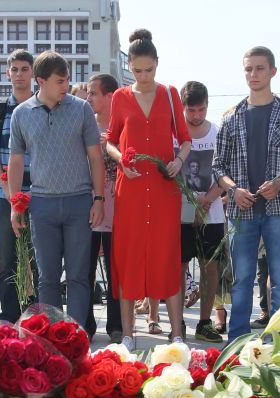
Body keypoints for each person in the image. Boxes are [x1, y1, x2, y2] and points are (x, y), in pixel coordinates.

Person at [214, 45, 280, 341]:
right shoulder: (232, 117)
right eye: (248, 69)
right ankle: (238, 341)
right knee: (242, 279)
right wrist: (233, 189)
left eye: (258, 68)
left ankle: (278, 341)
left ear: (272, 71)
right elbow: (218, 166)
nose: (253, 74)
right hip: (242, 211)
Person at [105, 30, 192, 350]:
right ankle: (128, 334)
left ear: (157, 64)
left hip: (163, 188)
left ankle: (177, 332)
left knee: (167, 257)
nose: (143, 76)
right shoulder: (120, 97)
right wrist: (119, 158)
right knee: (128, 257)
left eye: (149, 70)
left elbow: (185, 138)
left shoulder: (170, 94)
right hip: (129, 188)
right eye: (137, 71)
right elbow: (111, 139)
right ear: (130, 66)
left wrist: (179, 161)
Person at [7, 51, 105, 327]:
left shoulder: (81, 109)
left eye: (67, 81)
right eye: (60, 81)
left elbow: (95, 156)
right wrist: (16, 205)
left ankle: (75, 337)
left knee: (78, 275)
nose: (66, 86)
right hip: (42, 206)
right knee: (47, 278)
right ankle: (50, 339)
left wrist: (98, 199)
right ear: (41, 81)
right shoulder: (21, 114)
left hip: (79, 203)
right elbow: (15, 161)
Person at [0, 49, 36, 323]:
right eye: (14, 69)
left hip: (39, 196)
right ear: (8, 73)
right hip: (5, 197)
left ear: (33, 73)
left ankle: (35, 316)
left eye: (24, 69)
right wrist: (5, 187)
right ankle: (8, 316)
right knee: (7, 260)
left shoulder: (43, 106)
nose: (19, 74)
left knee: (38, 261)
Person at [177, 80, 226, 344]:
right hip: (180, 212)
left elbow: (224, 173)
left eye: (201, 110)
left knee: (210, 268)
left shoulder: (218, 133)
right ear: (183, 108)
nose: (196, 116)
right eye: (191, 111)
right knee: (178, 266)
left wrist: (204, 202)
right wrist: (190, 204)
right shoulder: (175, 135)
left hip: (213, 212)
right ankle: (178, 323)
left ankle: (205, 322)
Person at [84, 72, 124, 342]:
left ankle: (116, 325)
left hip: (118, 210)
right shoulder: (85, 123)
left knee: (116, 272)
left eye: (93, 93)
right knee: (83, 270)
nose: (88, 98)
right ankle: (85, 324)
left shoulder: (124, 125)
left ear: (110, 95)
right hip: (87, 209)